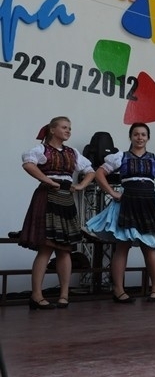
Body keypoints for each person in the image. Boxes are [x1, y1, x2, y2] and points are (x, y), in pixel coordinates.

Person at [85, 123, 155, 303]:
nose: (140, 137)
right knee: (122, 246)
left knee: (150, 247)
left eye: (143, 134)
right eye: (136, 134)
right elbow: (99, 173)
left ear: (148, 138)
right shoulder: (121, 157)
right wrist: (112, 192)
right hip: (128, 201)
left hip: (148, 202)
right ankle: (119, 290)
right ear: (131, 137)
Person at [19, 116, 95, 309]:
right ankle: (36, 295)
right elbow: (28, 164)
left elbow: (91, 171)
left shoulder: (72, 152)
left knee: (65, 249)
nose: (68, 130)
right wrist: (47, 180)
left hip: (66, 198)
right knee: (46, 247)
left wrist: (80, 186)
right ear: (52, 130)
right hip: (48, 196)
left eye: (69, 128)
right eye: (64, 127)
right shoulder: (41, 149)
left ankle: (64, 295)